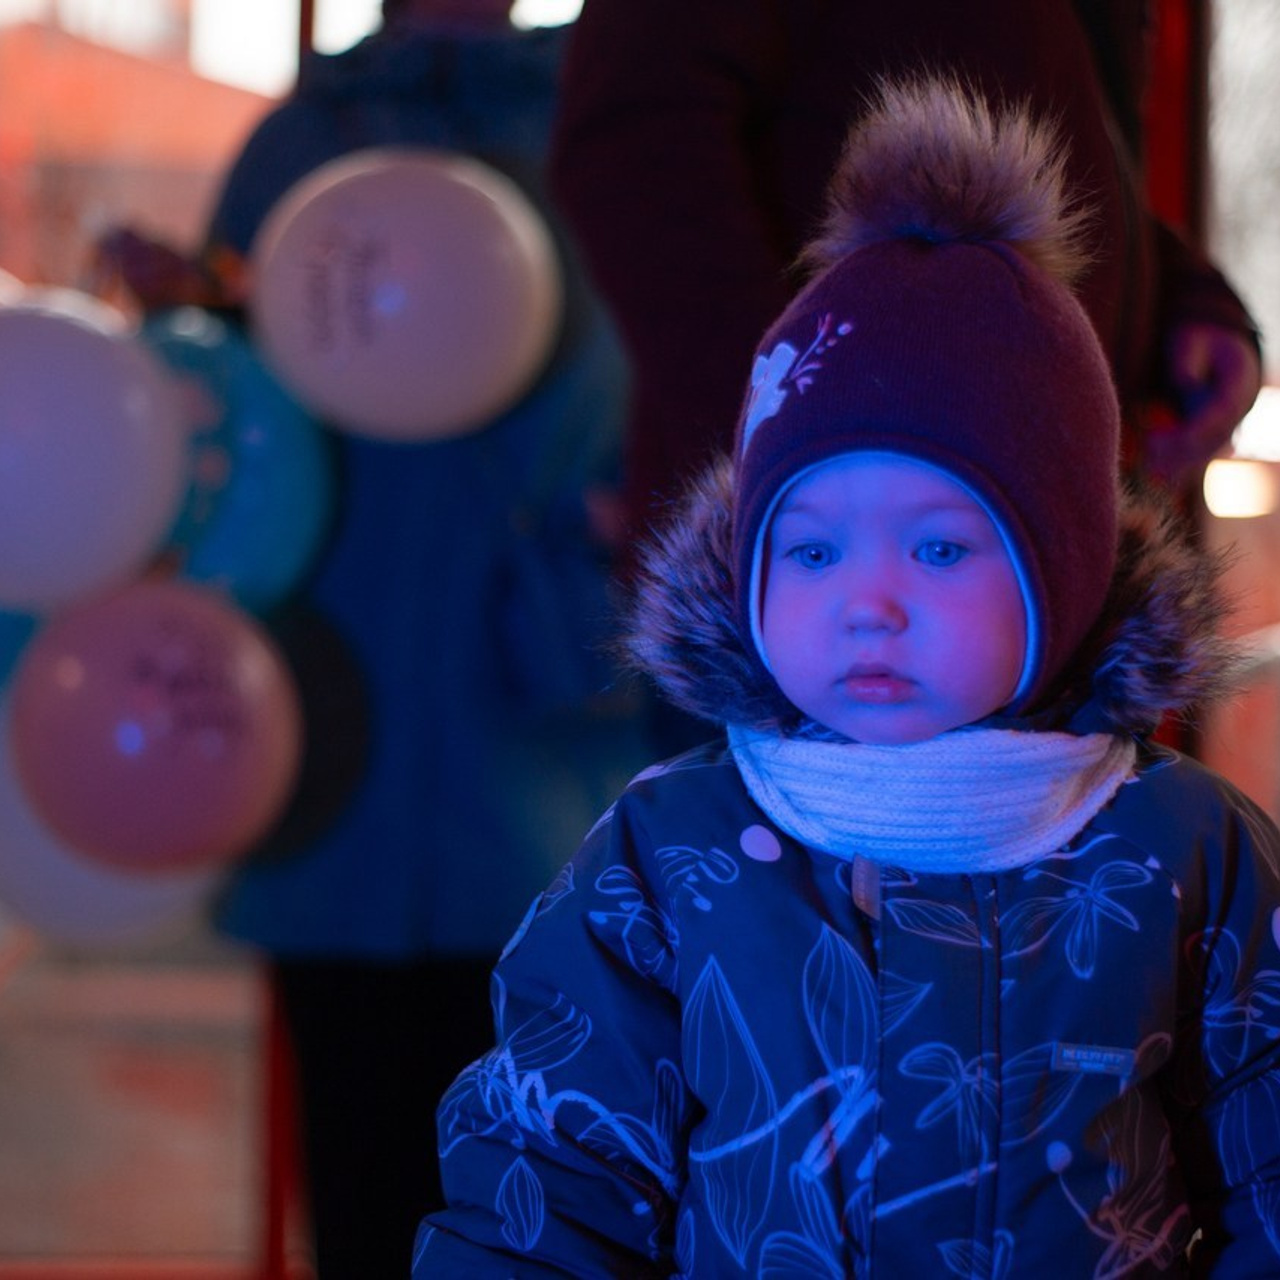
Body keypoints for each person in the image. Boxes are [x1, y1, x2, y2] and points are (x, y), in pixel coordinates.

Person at [413, 78, 1280, 1274]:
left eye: (938, 546)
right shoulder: (669, 852)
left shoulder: (1183, 843)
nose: (866, 602)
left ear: (1066, 568)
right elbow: (550, 1167)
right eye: (810, 548)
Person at [99, 3, 647, 1277]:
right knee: (369, 1198)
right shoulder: (299, 141)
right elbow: (225, 437)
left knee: (549, 1205)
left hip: (526, 756)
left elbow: (668, 416)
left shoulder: (603, 130)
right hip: (340, 767)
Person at [549, 0, 1262, 546]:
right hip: (832, 560)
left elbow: (1065, 131)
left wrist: (1184, 296)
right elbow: (632, 148)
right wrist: (809, 453)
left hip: (1046, 526)